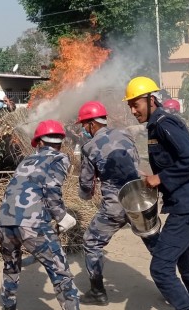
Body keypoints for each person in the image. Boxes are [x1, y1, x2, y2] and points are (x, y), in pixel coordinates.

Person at [124, 76, 189, 310]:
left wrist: (161, 178)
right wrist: (154, 178)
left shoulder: (164, 123)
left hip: (188, 206)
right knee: (186, 260)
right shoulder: (155, 126)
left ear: (151, 99)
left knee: (161, 268)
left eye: (136, 104)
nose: (133, 110)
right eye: (130, 105)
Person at [0, 120, 80, 310]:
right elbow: (52, 188)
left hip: (4, 222)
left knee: (11, 267)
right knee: (61, 273)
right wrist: (61, 216)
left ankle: (8, 306)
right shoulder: (60, 159)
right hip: (32, 224)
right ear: (60, 143)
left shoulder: (26, 160)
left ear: (39, 142)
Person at [76, 101, 143, 305]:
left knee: (91, 241)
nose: (83, 130)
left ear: (91, 124)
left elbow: (86, 185)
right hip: (140, 200)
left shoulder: (89, 147)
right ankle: (172, 287)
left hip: (115, 206)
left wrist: (85, 195)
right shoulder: (125, 135)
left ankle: (97, 293)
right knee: (154, 242)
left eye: (84, 125)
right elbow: (137, 164)